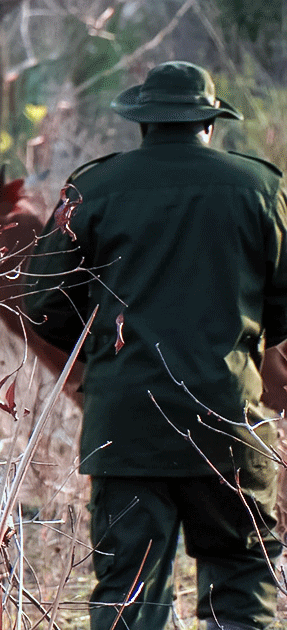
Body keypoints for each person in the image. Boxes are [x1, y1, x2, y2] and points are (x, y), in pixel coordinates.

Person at [26, 60, 287, 630]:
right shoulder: (262, 188)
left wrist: (101, 353)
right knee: (241, 586)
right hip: (227, 422)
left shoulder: (93, 187)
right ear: (210, 123)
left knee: (129, 599)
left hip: (126, 426)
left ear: (142, 123)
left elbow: (42, 302)